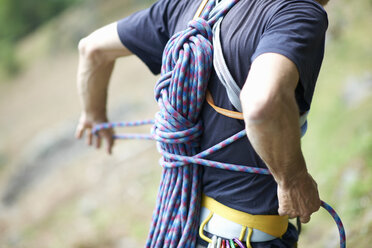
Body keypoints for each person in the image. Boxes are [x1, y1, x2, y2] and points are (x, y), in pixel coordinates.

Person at [75, 0, 329, 247]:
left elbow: (92, 49)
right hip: (247, 237)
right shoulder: (298, 12)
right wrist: (292, 179)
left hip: (180, 225)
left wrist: (93, 115)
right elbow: (261, 103)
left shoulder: (188, 6)